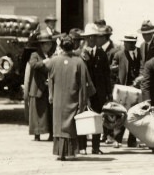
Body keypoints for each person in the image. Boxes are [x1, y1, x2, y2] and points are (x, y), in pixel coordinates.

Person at [47, 36, 94, 161]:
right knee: (71, 125)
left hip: (58, 99)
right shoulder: (79, 62)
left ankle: (60, 152)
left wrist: (51, 95)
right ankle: (70, 152)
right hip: (73, 98)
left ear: (61, 46)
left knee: (59, 125)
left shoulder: (54, 61)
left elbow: (49, 78)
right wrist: (83, 101)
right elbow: (84, 84)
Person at [80, 23, 112, 154]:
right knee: (83, 117)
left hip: (99, 92)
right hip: (85, 92)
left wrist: (108, 93)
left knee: (98, 119)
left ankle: (95, 146)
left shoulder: (101, 54)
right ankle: (82, 147)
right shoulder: (81, 54)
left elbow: (106, 74)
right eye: (88, 37)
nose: (91, 39)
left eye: (93, 37)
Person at [24, 34, 54, 141]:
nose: (49, 46)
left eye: (50, 43)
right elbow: (33, 65)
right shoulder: (35, 54)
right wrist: (44, 62)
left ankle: (51, 133)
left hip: (48, 86)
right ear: (42, 45)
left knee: (49, 112)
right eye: (47, 44)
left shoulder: (51, 54)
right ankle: (37, 134)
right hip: (38, 87)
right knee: (38, 112)